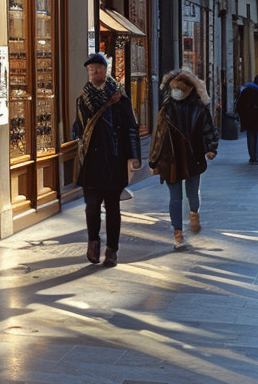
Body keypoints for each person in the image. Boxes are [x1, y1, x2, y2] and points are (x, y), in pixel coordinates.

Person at [73, 52, 140, 267]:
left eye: (98, 69)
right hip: (92, 163)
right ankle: (94, 242)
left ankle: (112, 250)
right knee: (91, 207)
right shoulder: (83, 98)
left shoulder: (120, 98)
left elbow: (131, 127)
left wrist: (134, 156)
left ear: (105, 70)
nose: (94, 73)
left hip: (114, 160)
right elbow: (79, 128)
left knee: (112, 208)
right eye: (91, 70)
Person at [149, 68, 218, 249]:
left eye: (179, 88)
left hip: (192, 155)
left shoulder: (199, 108)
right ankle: (178, 233)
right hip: (171, 157)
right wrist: (154, 160)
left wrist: (211, 148)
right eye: (173, 88)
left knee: (192, 193)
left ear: (189, 89)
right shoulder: (167, 106)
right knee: (175, 198)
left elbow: (208, 129)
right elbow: (159, 135)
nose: (176, 92)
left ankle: (194, 214)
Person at [237, 74, 258, 164]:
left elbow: (239, 106)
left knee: (251, 137)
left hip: (249, 119)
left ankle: (252, 157)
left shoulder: (246, 91)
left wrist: (243, 117)